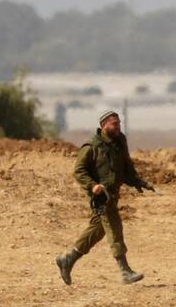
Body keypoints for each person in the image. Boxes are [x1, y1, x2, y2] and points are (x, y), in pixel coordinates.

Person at [55, 110, 154, 285]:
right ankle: (125, 271)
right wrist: (93, 186)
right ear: (104, 126)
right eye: (114, 124)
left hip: (114, 194)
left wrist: (139, 182)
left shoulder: (120, 141)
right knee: (114, 226)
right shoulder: (92, 146)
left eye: (119, 123)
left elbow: (126, 166)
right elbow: (79, 171)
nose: (118, 127)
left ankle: (68, 259)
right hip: (101, 197)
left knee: (98, 229)